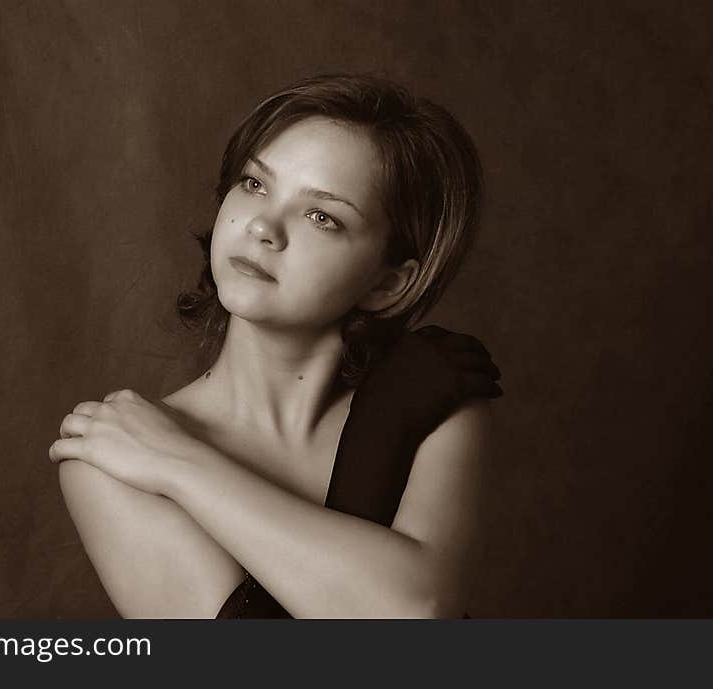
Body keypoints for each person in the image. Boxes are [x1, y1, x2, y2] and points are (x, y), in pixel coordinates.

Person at [49, 73, 503, 618]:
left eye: (322, 216)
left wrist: (180, 463)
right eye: (255, 184)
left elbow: (414, 616)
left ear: (388, 283)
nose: (264, 226)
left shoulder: (430, 387)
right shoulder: (107, 459)